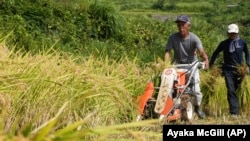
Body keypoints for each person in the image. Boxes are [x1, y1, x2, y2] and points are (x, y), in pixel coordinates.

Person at [164, 15, 209, 119]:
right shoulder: (173, 37)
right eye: (179, 25)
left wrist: (206, 60)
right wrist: (166, 64)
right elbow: (167, 52)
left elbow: (201, 51)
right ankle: (170, 108)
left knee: (196, 89)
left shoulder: (194, 38)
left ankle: (197, 108)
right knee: (171, 88)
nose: (181, 27)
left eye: (183, 25)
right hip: (177, 65)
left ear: (189, 26)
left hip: (191, 66)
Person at [209, 23, 250, 117]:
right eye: (231, 33)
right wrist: (211, 64)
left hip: (240, 70)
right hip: (228, 70)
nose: (233, 35)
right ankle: (234, 112)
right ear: (227, 33)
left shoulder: (242, 43)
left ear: (238, 33)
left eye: (234, 33)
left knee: (239, 89)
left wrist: (247, 64)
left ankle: (241, 108)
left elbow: (247, 53)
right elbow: (215, 53)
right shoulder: (224, 44)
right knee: (231, 90)